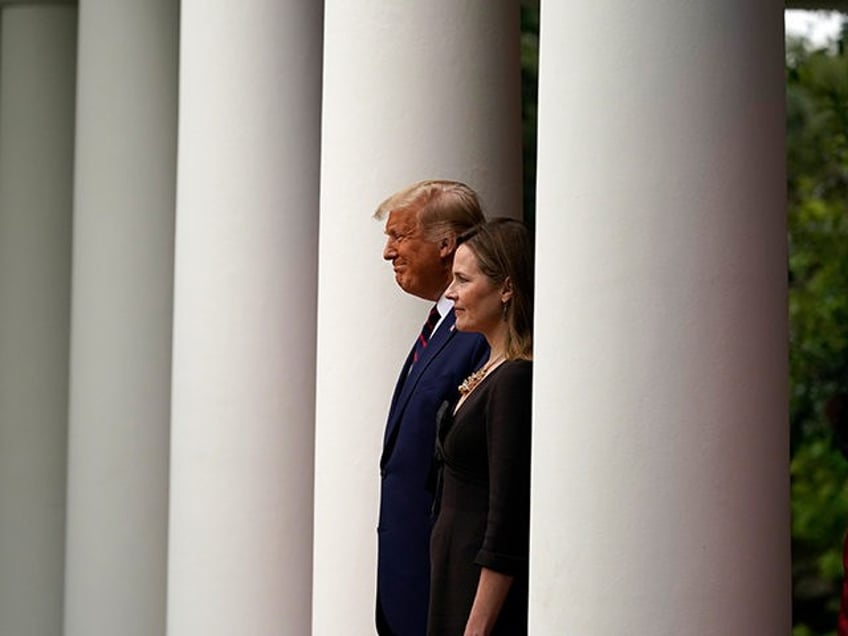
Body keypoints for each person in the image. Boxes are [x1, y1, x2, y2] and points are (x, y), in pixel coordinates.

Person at [374, 180, 489, 636]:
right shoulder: (443, 327)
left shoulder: (479, 332)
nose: (388, 252)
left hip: (443, 583)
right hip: (407, 579)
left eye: (400, 236)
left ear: (446, 245)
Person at [428, 218, 534, 636]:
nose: (450, 293)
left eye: (462, 279)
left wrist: (477, 626)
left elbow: (507, 519)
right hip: (453, 578)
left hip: (478, 599)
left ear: (506, 288)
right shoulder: (489, 369)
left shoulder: (514, 380)